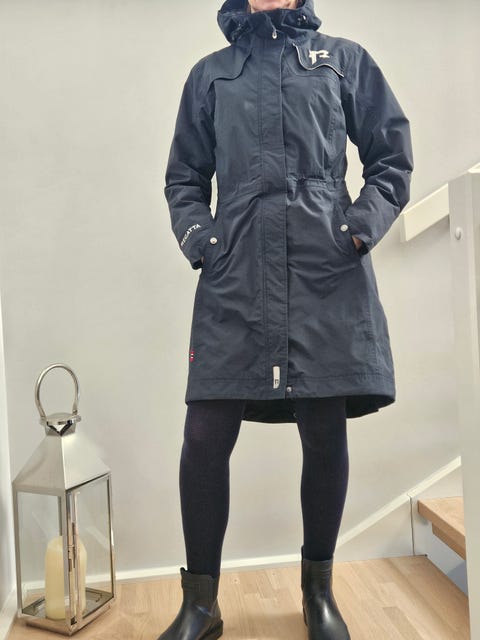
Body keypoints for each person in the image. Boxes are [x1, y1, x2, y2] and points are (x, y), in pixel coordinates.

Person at [160, 0, 413, 638]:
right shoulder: (211, 74)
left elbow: (391, 157)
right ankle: (200, 605)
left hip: (325, 272)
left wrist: (357, 228)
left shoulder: (343, 61)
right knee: (203, 436)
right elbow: (184, 176)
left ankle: (317, 593)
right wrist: (203, 240)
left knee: (324, 430)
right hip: (236, 275)